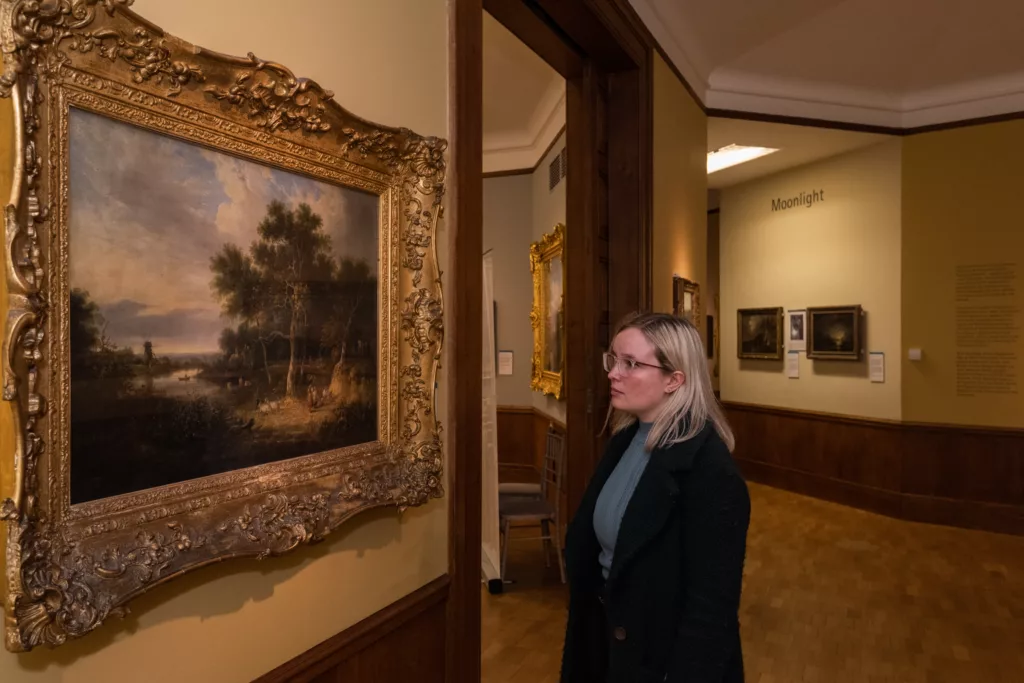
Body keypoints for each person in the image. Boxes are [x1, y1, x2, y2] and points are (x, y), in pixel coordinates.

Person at [560, 311, 750, 683]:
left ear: (673, 380)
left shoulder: (710, 471)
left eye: (631, 363)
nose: (614, 373)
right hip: (607, 645)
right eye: (613, 360)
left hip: (661, 662)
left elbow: (711, 610)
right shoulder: (624, 441)